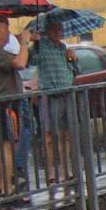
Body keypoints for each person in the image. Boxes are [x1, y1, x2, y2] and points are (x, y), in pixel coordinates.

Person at [0, 17, 32, 204]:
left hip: (3, 104)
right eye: (5, 29)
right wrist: (25, 42)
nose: (9, 33)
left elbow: (23, 60)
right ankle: (9, 189)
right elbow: (20, 63)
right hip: (4, 106)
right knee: (9, 145)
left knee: (3, 146)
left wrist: (26, 44)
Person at [29, 19, 78, 186]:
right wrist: (34, 43)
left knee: (66, 134)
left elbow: (74, 71)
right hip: (50, 94)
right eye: (55, 29)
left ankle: (66, 170)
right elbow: (31, 61)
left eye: (60, 30)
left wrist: (73, 60)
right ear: (48, 31)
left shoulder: (64, 48)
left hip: (65, 93)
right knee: (49, 135)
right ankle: (51, 172)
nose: (58, 33)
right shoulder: (41, 46)